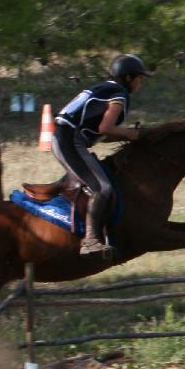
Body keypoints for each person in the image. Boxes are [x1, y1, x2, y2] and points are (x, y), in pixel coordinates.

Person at [52, 53, 150, 256]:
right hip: (69, 140)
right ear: (129, 78)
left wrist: (127, 136)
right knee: (102, 187)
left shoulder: (103, 88)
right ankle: (90, 241)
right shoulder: (119, 94)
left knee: (99, 182)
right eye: (139, 78)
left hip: (67, 137)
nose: (140, 84)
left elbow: (100, 134)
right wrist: (133, 133)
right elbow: (106, 128)